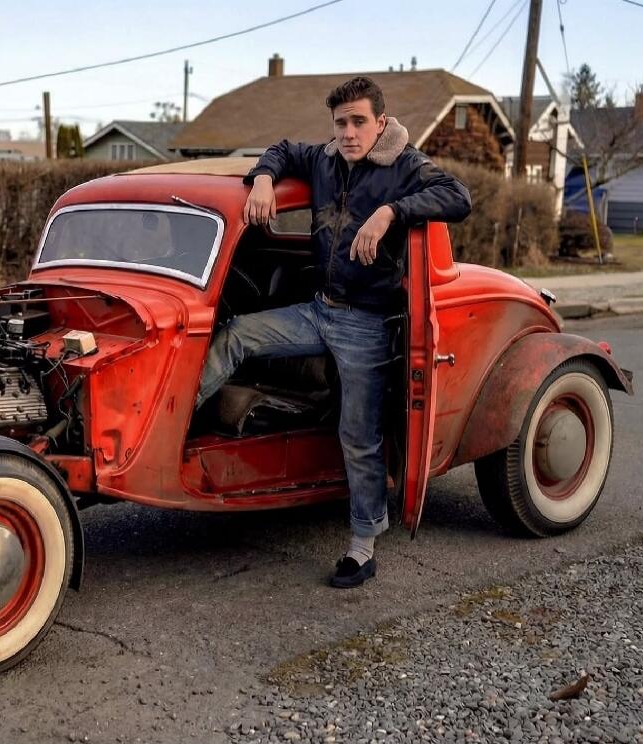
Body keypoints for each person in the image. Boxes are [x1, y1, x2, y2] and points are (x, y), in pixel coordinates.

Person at [195, 76, 472, 588]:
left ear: (380, 123)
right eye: (341, 122)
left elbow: (457, 196)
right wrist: (262, 179)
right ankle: (172, 427)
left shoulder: (405, 165)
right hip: (318, 310)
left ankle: (363, 544)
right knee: (236, 334)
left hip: (366, 323)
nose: (348, 132)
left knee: (358, 434)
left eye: (358, 121)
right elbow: (280, 149)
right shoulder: (323, 159)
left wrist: (390, 212)